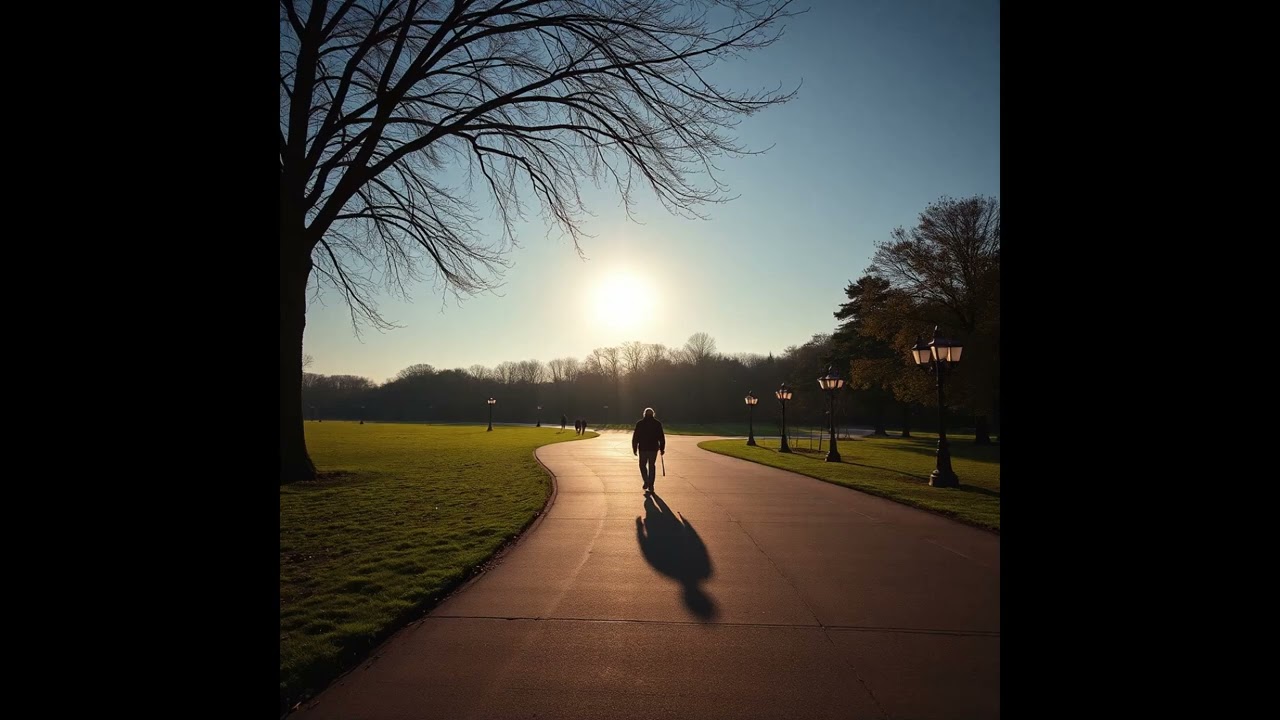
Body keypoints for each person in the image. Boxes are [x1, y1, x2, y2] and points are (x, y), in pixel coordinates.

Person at [631, 407, 666, 493]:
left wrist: (634, 448)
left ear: (644, 414)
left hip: (643, 448)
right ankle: (651, 484)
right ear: (653, 414)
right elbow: (661, 437)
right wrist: (662, 448)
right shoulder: (657, 424)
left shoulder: (640, 423)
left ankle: (646, 480)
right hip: (653, 448)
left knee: (642, 465)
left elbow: (635, 437)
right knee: (651, 466)